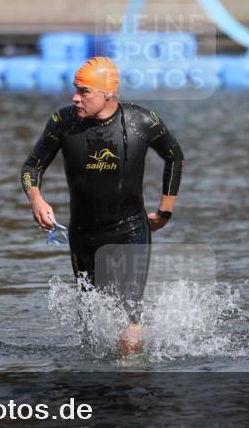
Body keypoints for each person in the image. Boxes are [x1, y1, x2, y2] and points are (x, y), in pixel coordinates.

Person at [21, 56, 184, 355]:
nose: (75, 97)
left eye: (84, 91)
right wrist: (36, 198)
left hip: (130, 231)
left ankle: (131, 385)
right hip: (83, 236)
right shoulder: (63, 122)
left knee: (129, 322)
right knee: (91, 329)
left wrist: (165, 210)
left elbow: (175, 156)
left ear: (107, 93)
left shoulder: (142, 121)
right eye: (75, 90)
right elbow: (32, 165)